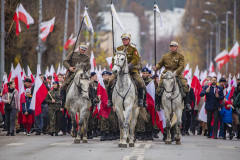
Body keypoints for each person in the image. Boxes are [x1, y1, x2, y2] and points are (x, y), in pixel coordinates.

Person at [107, 33, 144, 107]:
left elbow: (135, 59)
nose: (125, 41)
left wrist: (128, 66)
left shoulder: (133, 49)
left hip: (131, 70)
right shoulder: (118, 49)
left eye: (126, 39)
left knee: (140, 82)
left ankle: (141, 100)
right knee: (110, 81)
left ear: (129, 40)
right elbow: (114, 59)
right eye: (123, 40)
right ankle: (110, 100)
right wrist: (115, 67)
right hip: (119, 70)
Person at [153, 41, 191, 111]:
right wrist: (156, 67)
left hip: (176, 73)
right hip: (166, 73)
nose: (172, 48)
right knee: (159, 87)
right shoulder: (165, 56)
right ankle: (158, 104)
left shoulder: (180, 56)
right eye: (171, 46)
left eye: (174, 46)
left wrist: (177, 72)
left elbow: (181, 66)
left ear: (177, 47)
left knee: (184, 86)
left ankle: (187, 104)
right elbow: (160, 64)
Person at [61, 42, 99, 109]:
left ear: (86, 50)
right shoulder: (72, 54)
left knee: (90, 84)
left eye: (84, 50)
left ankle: (93, 100)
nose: (83, 51)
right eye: (82, 49)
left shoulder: (86, 57)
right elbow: (65, 62)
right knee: (64, 85)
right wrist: (69, 67)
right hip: (72, 74)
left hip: (82, 75)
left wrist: (85, 67)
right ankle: (62, 101)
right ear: (79, 48)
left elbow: (88, 67)